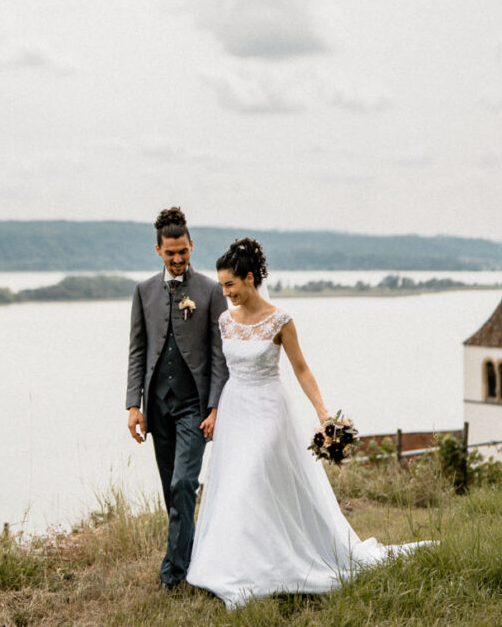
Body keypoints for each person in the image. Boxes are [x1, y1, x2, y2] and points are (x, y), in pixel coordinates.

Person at [186, 237, 425, 609]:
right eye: (222, 285)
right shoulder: (224, 320)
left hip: (268, 410)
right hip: (235, 411)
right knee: (234, 486)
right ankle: (239, 566)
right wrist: (215, 409)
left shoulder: (281, 320)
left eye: (230, 284)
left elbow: (301, 369)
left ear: (249, 279)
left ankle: (278, 565)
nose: (225, 291)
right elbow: (222, 369)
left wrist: (323, 413)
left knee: (252, 473)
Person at [125, 207, 228, 591]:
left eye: (183, 251)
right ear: (158, 251)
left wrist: (216, 405)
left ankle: (173, 573)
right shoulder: (143, 291)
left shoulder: (210, 291)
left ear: (191, 245)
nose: (179, 259)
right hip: (157, 405)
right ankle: (192, 557)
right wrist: (134, 405)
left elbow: (220, 354)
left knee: (184, 483)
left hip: (193, 406)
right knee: (170, 486)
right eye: (171, 253)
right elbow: (137, 350)